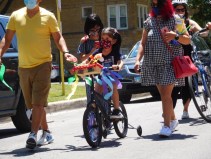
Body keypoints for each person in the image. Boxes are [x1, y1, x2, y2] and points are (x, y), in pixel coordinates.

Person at [0, 0, 77, 149]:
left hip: (43, 64)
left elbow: (58, 37)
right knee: (33, 106)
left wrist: (65, 52)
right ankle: (46, 132)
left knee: (37, 103)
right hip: (23, 67)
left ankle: (33, 134)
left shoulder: (48, 16)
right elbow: (7, 38)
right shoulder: (16, 15)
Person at [134, 0, 191, 137]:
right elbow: (143, 43)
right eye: (153, 5)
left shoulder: (176, 19)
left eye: (158, 5)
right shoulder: (149, 21)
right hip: (153, 63)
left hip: (169, 62)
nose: (155, 8)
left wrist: (175, 35)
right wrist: (137, 60)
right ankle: (173, 120)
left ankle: (166, 127)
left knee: (166, 95)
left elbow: (187, 40)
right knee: (164, 95)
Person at [83, 27, 123, 118]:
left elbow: (120, 62)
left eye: (107, 39)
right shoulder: (98, 52)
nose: (105, 41)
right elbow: (88, 60)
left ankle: (117, 109)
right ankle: (99, 111)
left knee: (113, 88)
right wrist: (81, 65)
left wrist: (118, 66)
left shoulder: (114, 52)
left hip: (112, 76)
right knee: (96, 92)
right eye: (103, 39)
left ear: (113, 41)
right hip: (101, 77)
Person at [171, 0, 202, 119]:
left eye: (182, 10)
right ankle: (169, 112)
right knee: (172, 87)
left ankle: (185, 110)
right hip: (173, 56)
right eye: (177, 10)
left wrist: (203, 29)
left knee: (188, 86)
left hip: (187, 57)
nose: (180, 12)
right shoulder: (170, 22)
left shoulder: (189, 22)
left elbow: (201, 31)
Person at [77, 13, 103, 105]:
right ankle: (91, 116)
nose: (95, 32)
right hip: (90, 72)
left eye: (97, 29)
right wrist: (93, 51)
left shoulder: (104, 38)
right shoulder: (85, 41)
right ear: (88, 30)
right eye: (92, 30)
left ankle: (106, 114)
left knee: (103, 96)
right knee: (91, 97)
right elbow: (82, 58)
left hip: (103, 72)